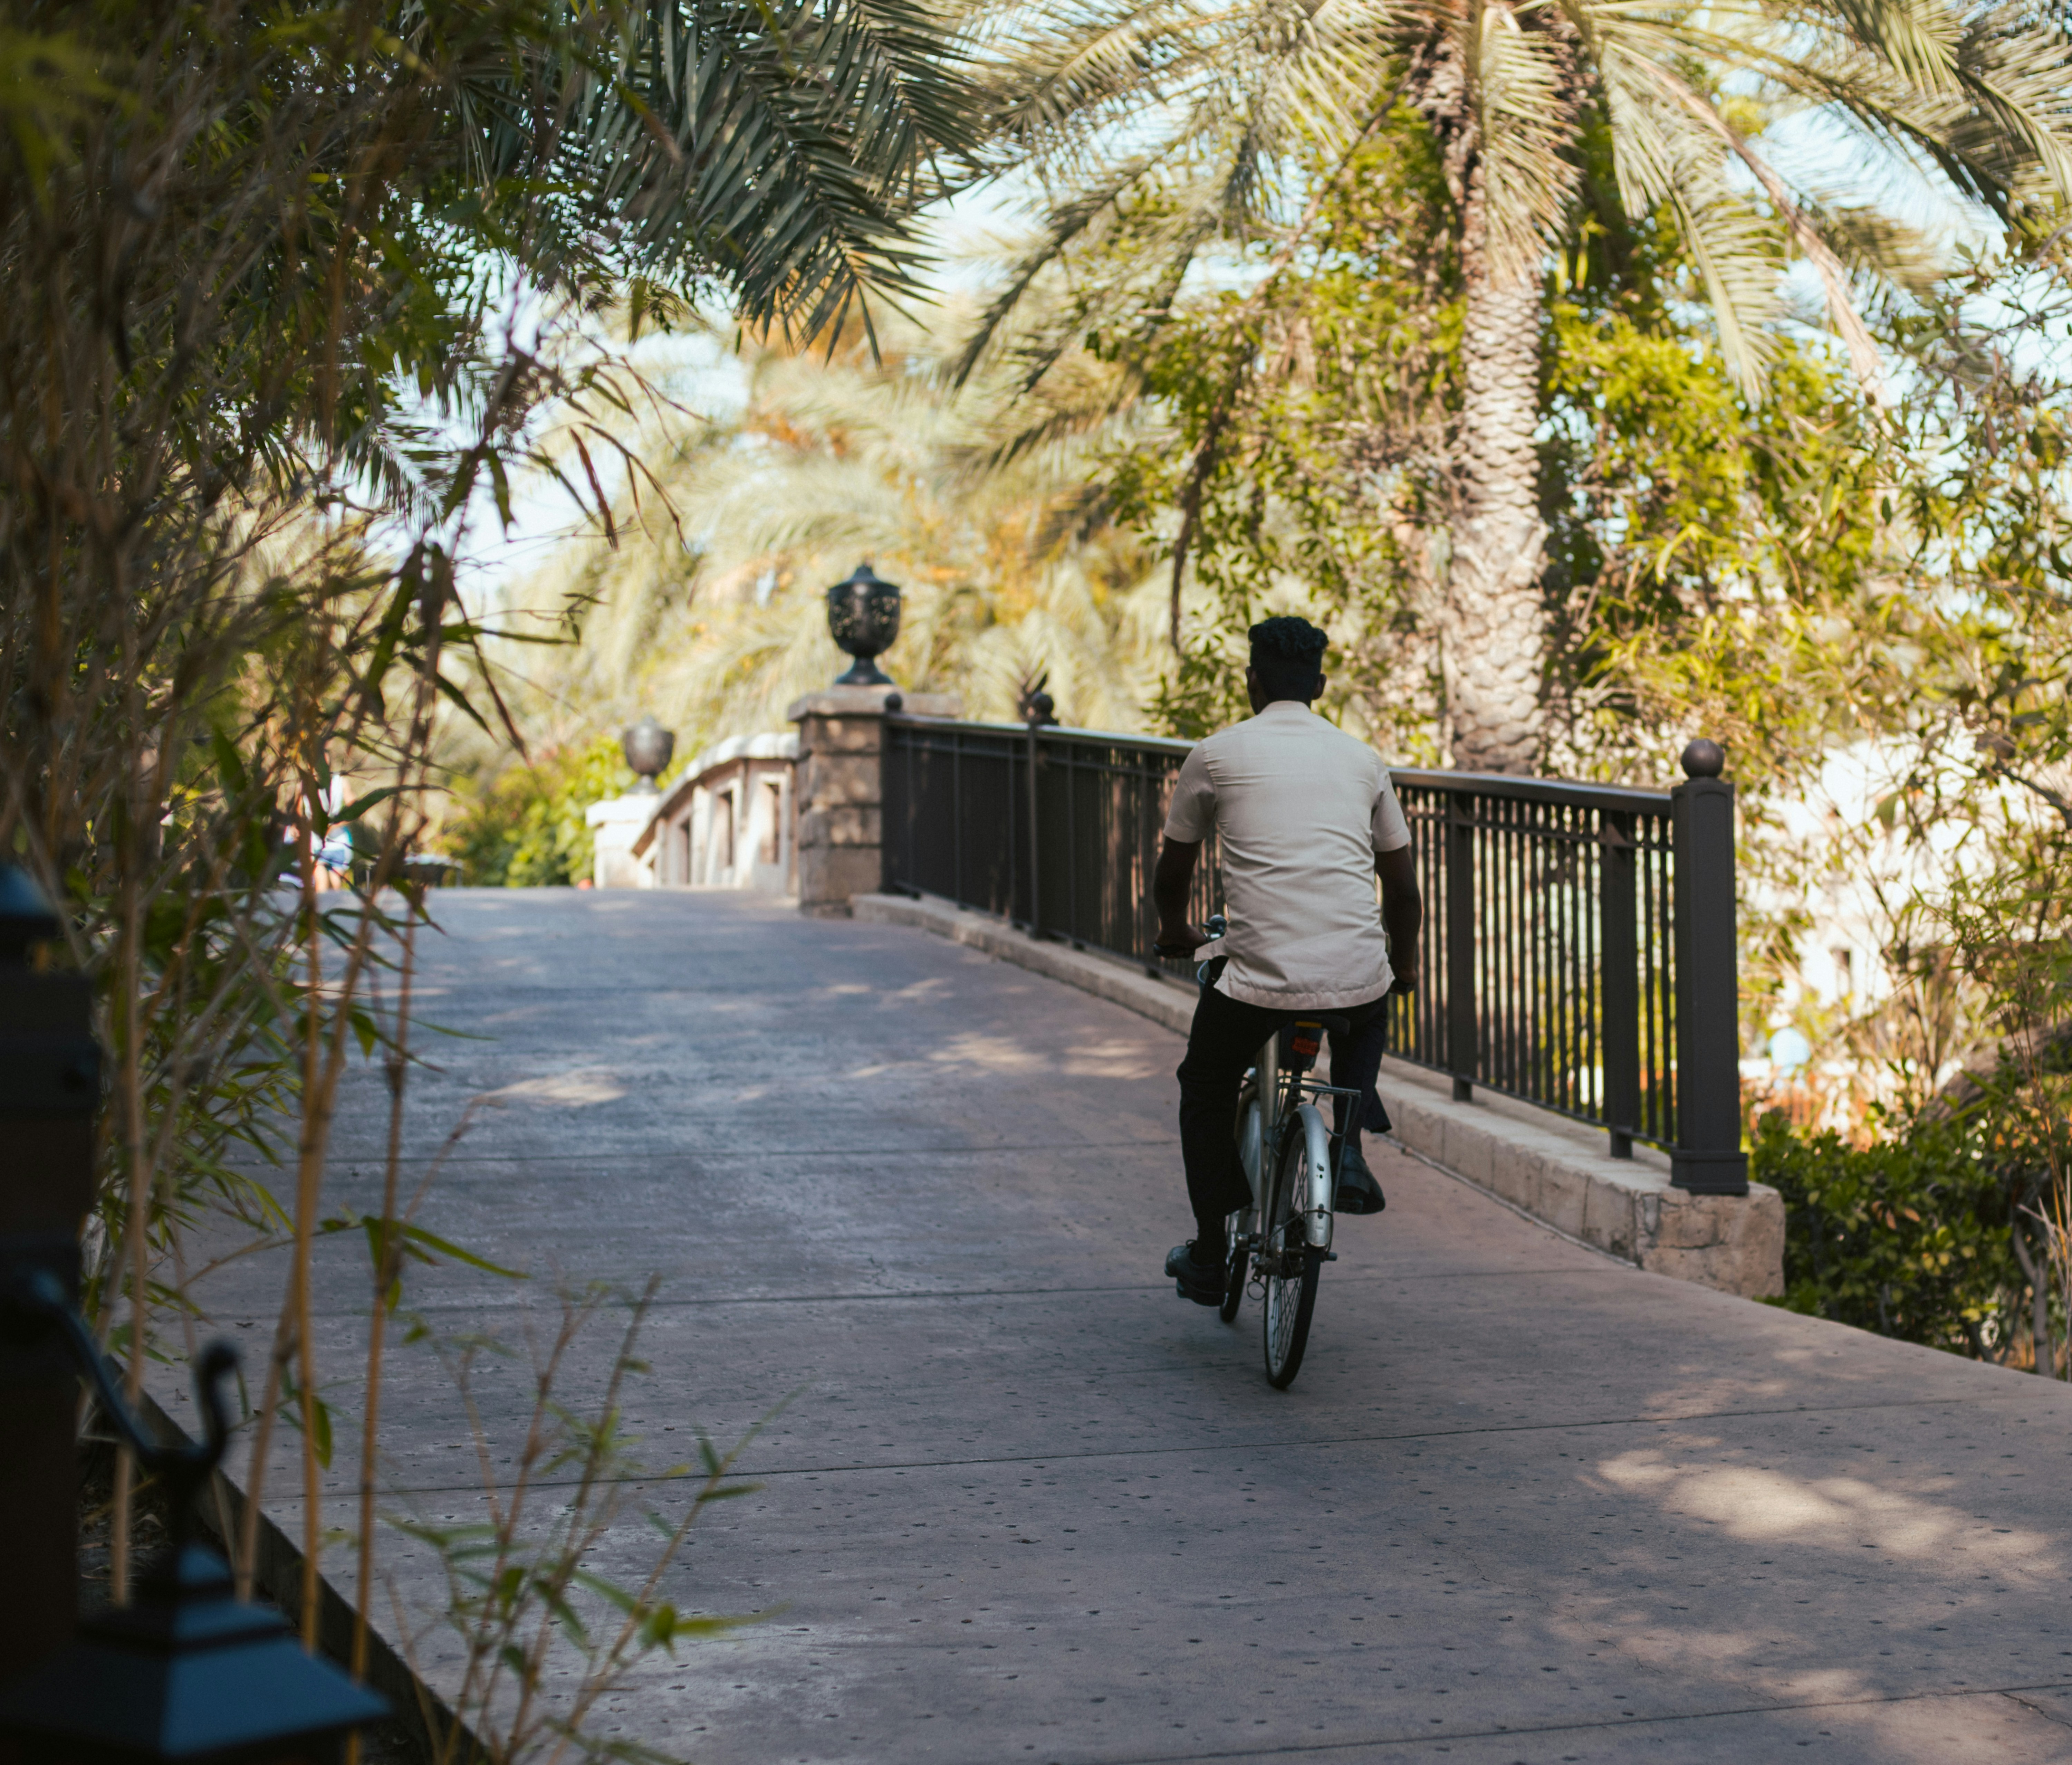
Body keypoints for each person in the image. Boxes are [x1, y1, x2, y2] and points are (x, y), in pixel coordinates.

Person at [1150, 616, 1423, 1304]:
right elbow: (1403, 886)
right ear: (1321, 685)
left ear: (1252, 680)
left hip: (1258, 980)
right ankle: (1351, 1146)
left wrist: (1175, 928)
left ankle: (1212, 1253)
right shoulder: (1363, 759)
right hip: (1354, 973)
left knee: (1205, 1082)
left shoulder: (1216, 753)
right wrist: (1407, 965)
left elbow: (1173, 866)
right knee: (1368, 1010)